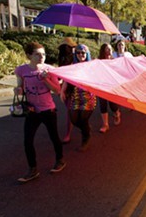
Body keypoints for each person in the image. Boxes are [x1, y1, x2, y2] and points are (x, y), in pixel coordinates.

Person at [14, 42, 65, 183]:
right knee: (27, 140)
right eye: (37, 54)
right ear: (29, 55)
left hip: (48, 109)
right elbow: (20, 87)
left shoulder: (50, 70)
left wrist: (46, 79)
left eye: (43, 54)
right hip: (32, 111)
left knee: (54, 137)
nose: (41, 57)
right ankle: (33, 169)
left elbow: (57, 90)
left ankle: (60, 160)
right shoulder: (21, 70)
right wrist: (18, 90)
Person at [61, 44, 97, 152]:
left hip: (88, 97)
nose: (81, 55)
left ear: (87, 54)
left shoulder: (92, 66)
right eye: (78, 53)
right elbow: (66, 79)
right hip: (75, 96)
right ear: (75, 54)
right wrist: (62, 90)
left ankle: (85, 139)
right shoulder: (72, 66)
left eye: (83, 53)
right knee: (74, 119)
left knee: (83, 119)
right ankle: (86, 130)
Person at [97, 43, 121, 132]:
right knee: (102, 105)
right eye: (107, 49)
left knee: (113, 105)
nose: (109, 50)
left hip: (112, 86)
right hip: (101, 86)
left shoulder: (114, 61)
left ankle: (117, 113)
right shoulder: (99, 61)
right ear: (103, 50)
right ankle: (105, 124)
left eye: (110, 49)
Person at [57, 37, 76, 143]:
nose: (66, 49)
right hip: (64, 87)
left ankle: (69, 133)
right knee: (70, 110)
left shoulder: (75, 59)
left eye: (68, 47)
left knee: (71, 111)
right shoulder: (61, 58)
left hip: (73, 87)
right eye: (64, 47)